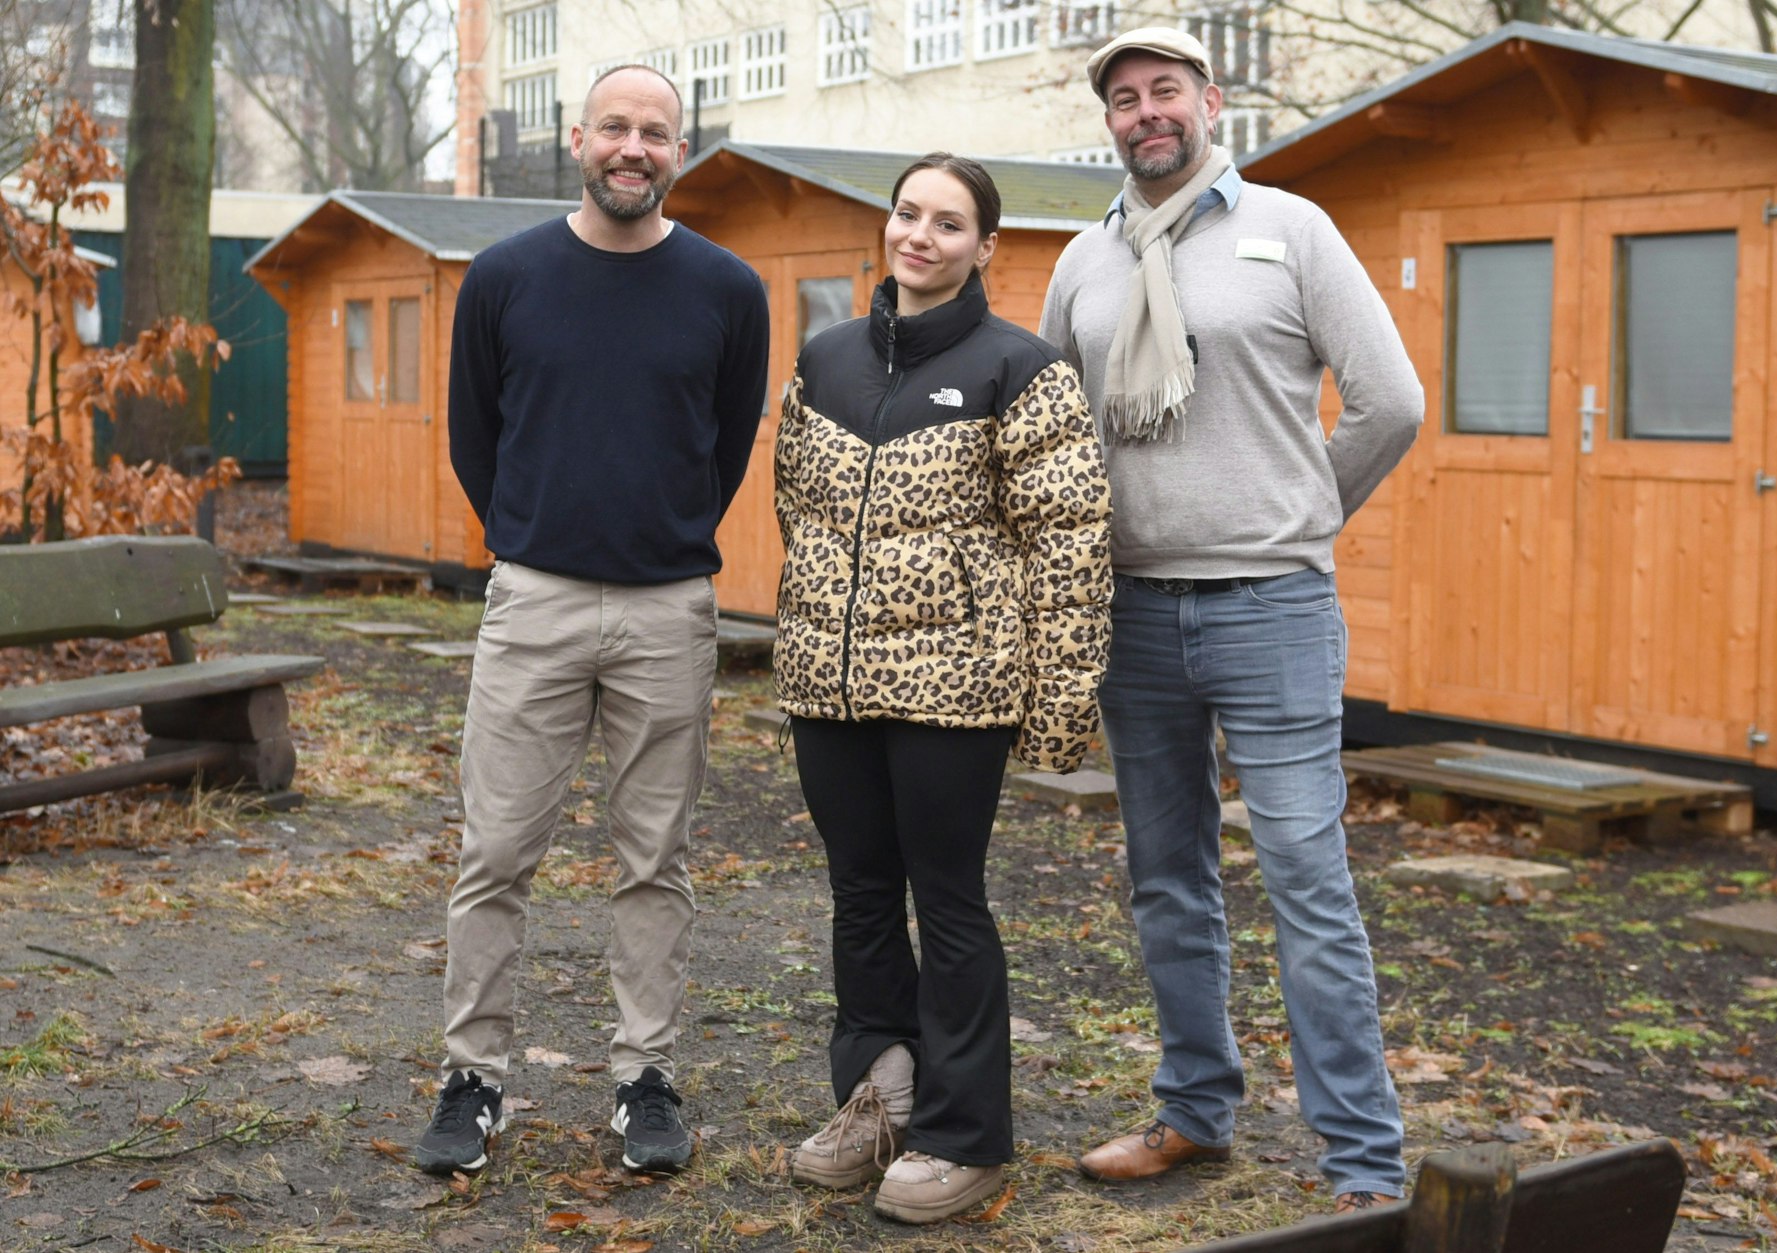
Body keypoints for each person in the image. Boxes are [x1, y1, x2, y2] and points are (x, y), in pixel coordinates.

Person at [1038, 28, 1423, 1212]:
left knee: (1306, 875)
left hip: (1272, 610)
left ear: (1209, 102)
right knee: (1165, 876)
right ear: (1109, 122)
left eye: (1164, 90)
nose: (1144, 112)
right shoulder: (1082, 264)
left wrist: (1297, 511)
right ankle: (1193, 1110)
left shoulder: (1290, 230)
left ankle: (1362, 1162)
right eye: (1123, 98)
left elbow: (1389, 401)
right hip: (1133, 615)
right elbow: (1054, 437)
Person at [415, 63, 769, 1178]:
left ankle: (643, 1078)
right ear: (578, 139)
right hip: (535, 600)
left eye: (654, 132)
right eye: (615, 127)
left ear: (679, 152)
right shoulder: (504, 278)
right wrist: (539, 533)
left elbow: (723, 448)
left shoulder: (727, 288)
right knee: (495, 850)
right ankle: (472, 1078)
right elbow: (475, 437)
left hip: (669, 608)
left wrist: (655, 536)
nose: (633, 148)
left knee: (655, 857)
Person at [771, 153, 1111, 1224]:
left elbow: (1068, 544)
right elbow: (796, 506)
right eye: (907, 213)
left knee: (947, 899)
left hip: (956, 691)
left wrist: (1057, 707)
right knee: (860, 894)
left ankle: (966, 1137)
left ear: (984, 247)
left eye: (948, 222)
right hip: (827, 682)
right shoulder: (824, 359)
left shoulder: (1022, 368)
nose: (920, 235)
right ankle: (879, 1095)